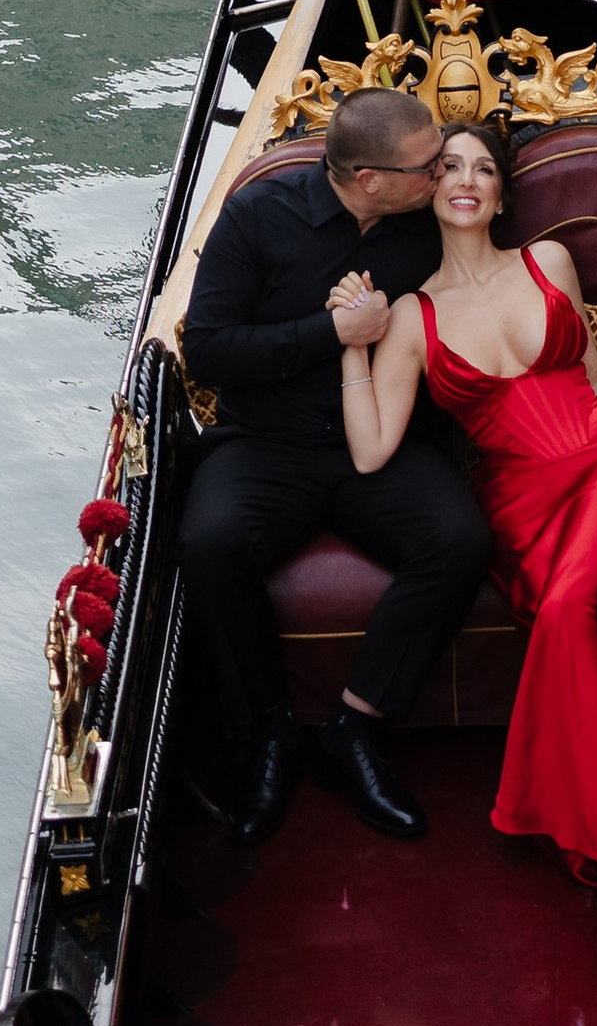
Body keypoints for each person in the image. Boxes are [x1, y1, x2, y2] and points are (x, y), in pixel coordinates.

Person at [336, 119, 597, 956]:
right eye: (449, 165)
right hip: (517, 508)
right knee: (586, 630)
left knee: (568, 611)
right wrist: (352, 346)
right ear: (428, 186)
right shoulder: (412, 315)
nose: (466, 179)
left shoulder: (550, 261)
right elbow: (371, 447)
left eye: (483, 168)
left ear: (499, 192)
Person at [176, 85, 490, 846]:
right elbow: (208, 351)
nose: (441, 177)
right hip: (266, 444)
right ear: (369, 178)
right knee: (208, 545)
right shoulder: (256, 216)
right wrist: (332, 330)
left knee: (460, 541)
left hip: (379, 442)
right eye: (427, 168)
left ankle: (352, 729)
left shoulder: (425, 226)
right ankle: (269, 734)